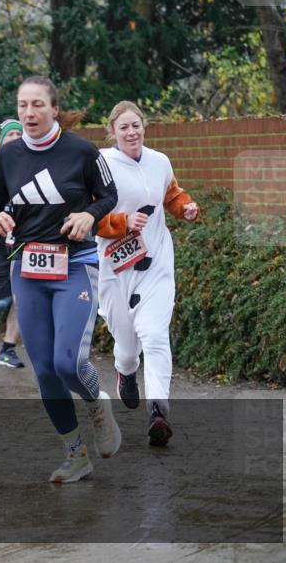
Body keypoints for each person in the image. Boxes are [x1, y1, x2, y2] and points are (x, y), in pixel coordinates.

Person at [0, 75, 122, 483]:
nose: (29, 113)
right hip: (26, 268)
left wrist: (88, 215)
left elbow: (108, 196)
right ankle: (76, 454)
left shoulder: (80, 151)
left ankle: (97, 404)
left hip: (75, 264)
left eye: (38, 104)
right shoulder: (7, 156)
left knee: (67, 362)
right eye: (23, 105)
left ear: (54, 108)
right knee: (43, 371)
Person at [95, 101, 199, 447]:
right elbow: (88, 217)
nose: (132, 132)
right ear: (113, 132)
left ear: (145, 126)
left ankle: (158, 412)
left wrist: (184, 206)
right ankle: (125, 372)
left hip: (155, 262)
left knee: (154, 335)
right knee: (127, 347)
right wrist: (122, 223)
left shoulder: (159, 161)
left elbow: (170, 193)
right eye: (124, 127)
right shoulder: (101, 164)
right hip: (114, 268)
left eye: (136, 125)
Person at [0, 119, 26, 369]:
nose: (13, 137)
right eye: (9, 134)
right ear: (1, 141)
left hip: (25, 244)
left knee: (21, 298)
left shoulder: (36, 165)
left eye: (17, 133)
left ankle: (8, 349)